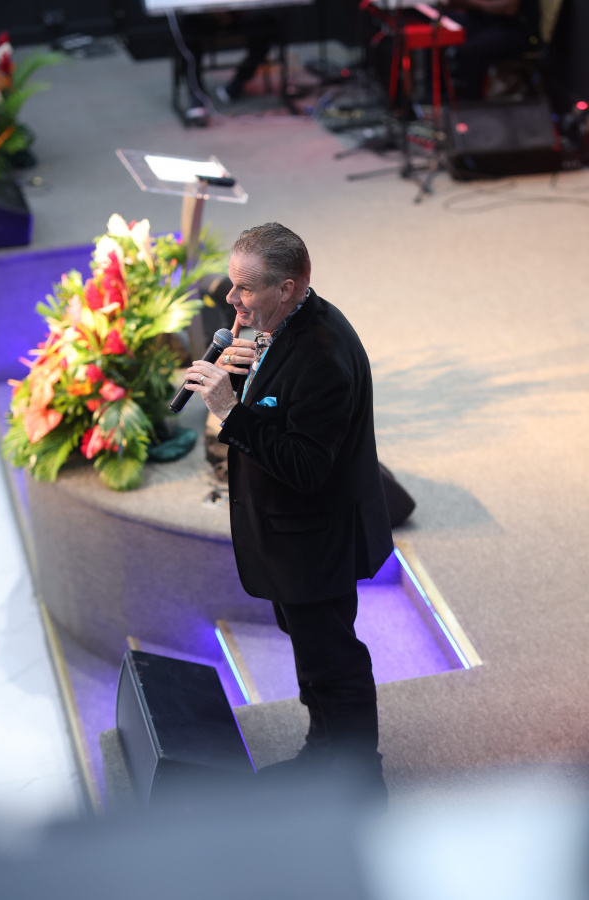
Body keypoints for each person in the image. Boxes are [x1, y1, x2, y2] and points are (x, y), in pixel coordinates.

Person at [183, 223, 394, 801]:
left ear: (289, 287)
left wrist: (230, 409)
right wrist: (249, 374)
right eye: (233, 285)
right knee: (312, 654)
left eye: (245, 289)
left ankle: (359, 785)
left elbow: (306, 468)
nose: (231, 299)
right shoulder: (281, 328)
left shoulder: (322, 353)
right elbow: (283, 407)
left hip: (315, 543)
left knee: (334, 662)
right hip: (288, 538)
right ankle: (322, 752)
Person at [439, 0, 541, 100]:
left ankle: (471, 100)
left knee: (470, 49)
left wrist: (469, 2)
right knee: (438, 21)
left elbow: (509, 8)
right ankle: (440, 92)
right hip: (484, 21)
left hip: (516, 29)